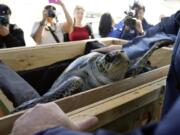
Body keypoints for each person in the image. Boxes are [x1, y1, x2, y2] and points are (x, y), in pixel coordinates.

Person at [11, 10, 180, 135]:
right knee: (74, 82)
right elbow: (171, 24)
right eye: (112, 58)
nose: (121, 59)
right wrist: (129, 47)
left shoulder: (121, 67)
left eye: (122, 58)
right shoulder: (77, 80)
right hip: (81, 78)